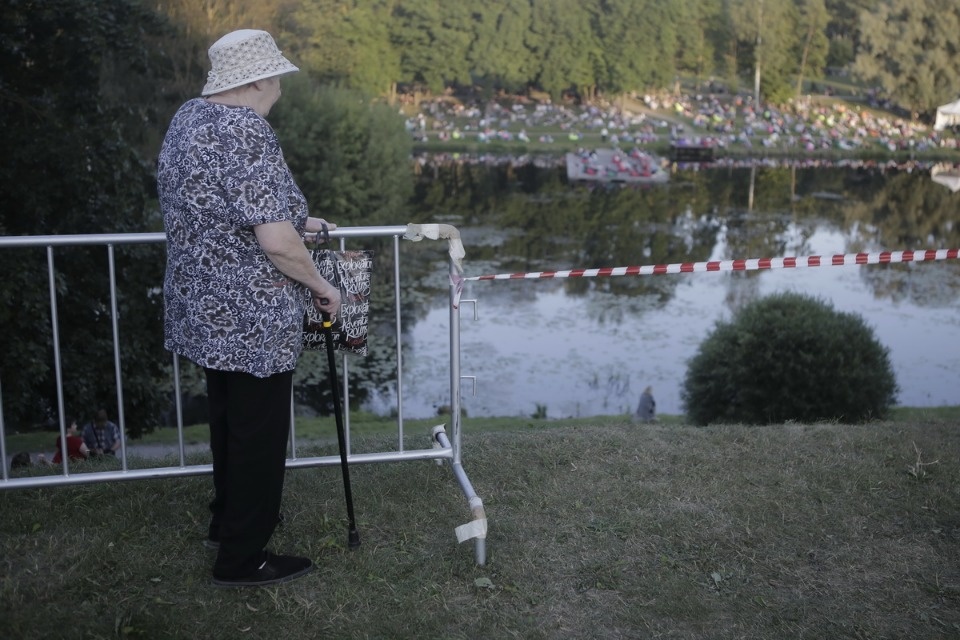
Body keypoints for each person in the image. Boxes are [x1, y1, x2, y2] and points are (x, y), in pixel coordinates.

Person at [158, 29, 341, 588]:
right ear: (259, 78)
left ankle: (226, 522)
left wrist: (297, 219)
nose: (281, 82)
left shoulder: (190, 118)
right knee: (259, 435)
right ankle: (243, 558)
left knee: (228, 422)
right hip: (250, 315)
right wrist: (322, 287)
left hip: (200, 303)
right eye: (277, 73)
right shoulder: (245, 129)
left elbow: (222, 202)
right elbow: (276, 244)